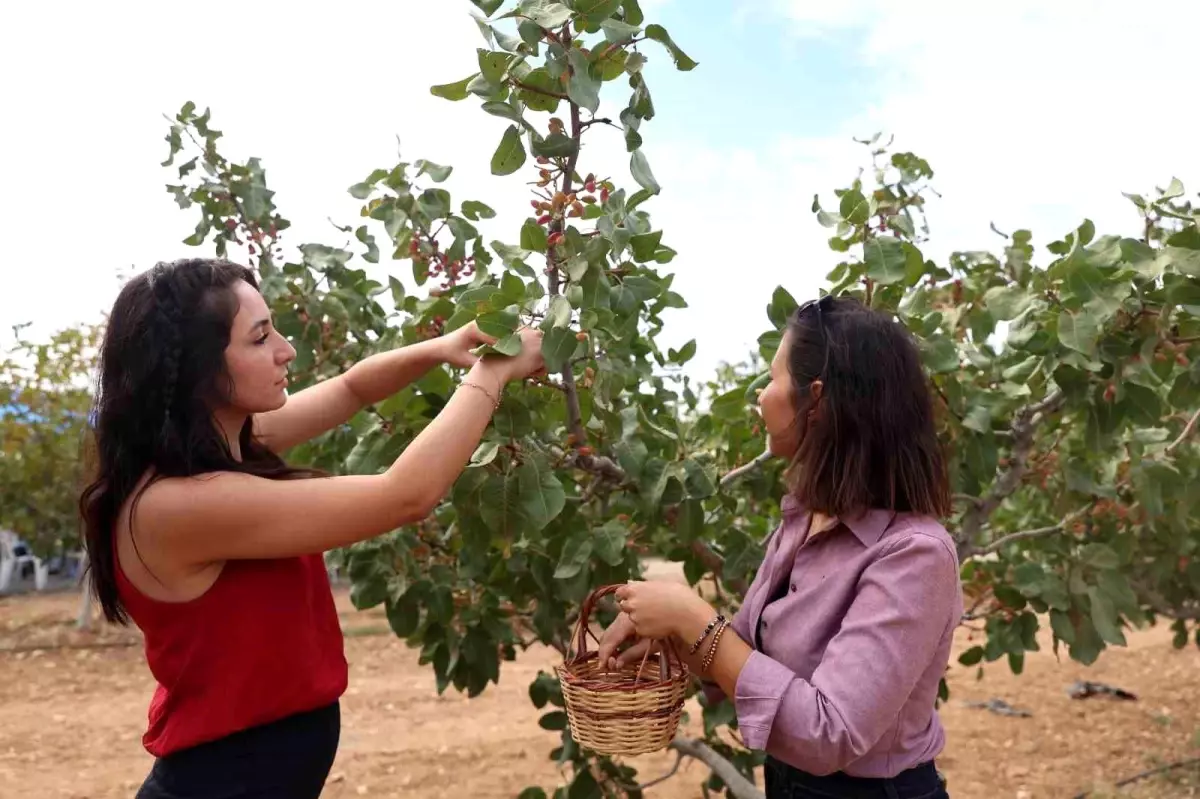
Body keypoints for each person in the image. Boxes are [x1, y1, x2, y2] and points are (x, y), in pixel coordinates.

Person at [78, 258, 544, 799]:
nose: (286, 349)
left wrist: (443, 347)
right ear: (200, 370)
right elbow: (405, 495)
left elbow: (350, 390)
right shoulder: (179, 505)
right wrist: (491, 374)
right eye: (259, 339)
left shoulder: (223, 447)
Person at [598, 295, 961, 799]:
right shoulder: (805, 517)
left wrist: (690, 618)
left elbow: (830, 731)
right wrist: (671, 637)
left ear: (816, 400)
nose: (761, 395)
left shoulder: (915, 554)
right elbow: (743, 651)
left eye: (772, 378)